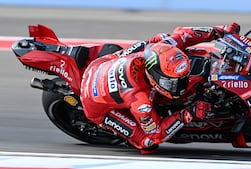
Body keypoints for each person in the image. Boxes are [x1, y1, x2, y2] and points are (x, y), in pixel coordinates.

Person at [80, 22, 241, 154]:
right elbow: (156, 134)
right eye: (173, 82)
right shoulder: (140, 101)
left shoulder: (163, 47)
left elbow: (184, 34)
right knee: (148, 144)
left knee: (161, 38)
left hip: (104, 62)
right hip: (95, 104)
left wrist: (220, 31)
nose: (182, 85)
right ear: (154, 78)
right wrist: (188, 113)